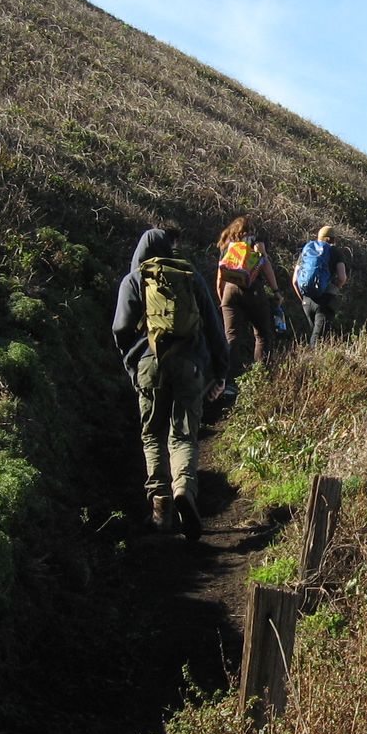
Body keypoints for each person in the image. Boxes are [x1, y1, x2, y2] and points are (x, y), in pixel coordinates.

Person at [112, 226, 229, 536]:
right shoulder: (190, 276)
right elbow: (215, 328)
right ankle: (184, 491)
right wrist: (220, 371)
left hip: (149, 365)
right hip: (190, 366)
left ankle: (160, 500)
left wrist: (132, 365)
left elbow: (121, 328)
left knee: (152, 434)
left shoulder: (134, 279)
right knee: (183, 435)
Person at [214, 215, 283, 376]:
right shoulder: (254, 240)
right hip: (253, 290)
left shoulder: (226, 246)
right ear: (249, 229)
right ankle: (260, 375)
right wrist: (276, 291)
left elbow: (219, 276)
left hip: (229, 291)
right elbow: (264, 263)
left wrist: (223, 299)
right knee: (262, 334)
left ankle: (228, 380)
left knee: (231, 337)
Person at [292, 224, 348, 347]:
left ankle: (307, 362)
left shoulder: (308, 250)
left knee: (316, 335)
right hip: (325, 301)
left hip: (307, 300)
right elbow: (342, 278)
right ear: (333, 239)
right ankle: (311, 363)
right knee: (318, 341)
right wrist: (335, 288)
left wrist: (303, 300)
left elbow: (295, 281)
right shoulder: (335, 252)